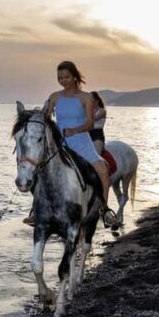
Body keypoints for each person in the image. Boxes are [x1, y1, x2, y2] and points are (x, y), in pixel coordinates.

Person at [42, 61, 117, 228]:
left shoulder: (86, 97)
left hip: (81, 139)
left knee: (103, 172)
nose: (63, 81)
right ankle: (37, 210)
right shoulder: (55, 96)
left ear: (75, 76)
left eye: (66, 77)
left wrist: (74, 130)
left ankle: (104, 211)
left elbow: (90, 124)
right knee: (39, 169)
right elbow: (46, 118)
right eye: (60, 78)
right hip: (60, 140)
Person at [89, 91, 106, 155]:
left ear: (97, 101)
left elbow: (93, 119)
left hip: (97, 136)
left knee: (96, 155)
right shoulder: (87, 110)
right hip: (87, 135)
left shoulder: (102, 111)